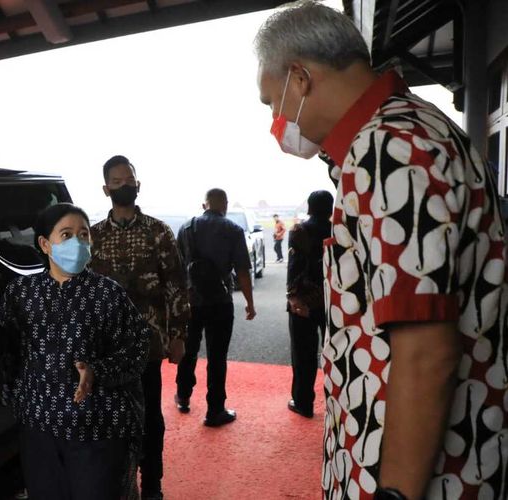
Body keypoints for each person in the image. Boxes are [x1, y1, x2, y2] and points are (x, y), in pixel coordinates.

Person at [255, 2, 508, 499]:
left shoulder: (391, 148)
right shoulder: (407, 132)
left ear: (300, 78)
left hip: (429, 477)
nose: (275, 118)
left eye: (271, 101)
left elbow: (425, 352)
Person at [0, 203, 150, 500]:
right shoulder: (22, 292)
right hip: (38, 429)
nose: (78, 242)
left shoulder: (108, 293)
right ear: (45, 244)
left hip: (96, 430)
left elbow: (138, 349)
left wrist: (96, 371)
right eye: (67, 234)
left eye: (84, 235)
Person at [89, 155, 190, 500]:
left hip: (147, 346)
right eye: (116, 182)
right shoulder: (93, 236)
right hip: (104, 349)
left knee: (149, 418)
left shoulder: (158, 231)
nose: (123, 186)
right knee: (107, 418)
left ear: (138, 184)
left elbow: (176, 285)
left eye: (128, 180)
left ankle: (152, 485)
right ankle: (116, 482)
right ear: (106, 189)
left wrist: (178, 336)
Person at [175, 188, 256, 427]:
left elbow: (178, 269)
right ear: (225, 205)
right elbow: (242, 270)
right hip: (220, 302)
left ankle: (183, 396)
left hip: (191, 301)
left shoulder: (186, 228)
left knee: (189, 351)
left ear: (204, 205)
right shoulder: (233, 230)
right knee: (217, 356)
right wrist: (250, 303)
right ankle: (215, 410)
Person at [285, 190, 333, 419]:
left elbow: (294, 266)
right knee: (334, 351)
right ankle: (337, 402)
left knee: (303, 353)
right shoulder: (339, 230)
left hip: (304, 301)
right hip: (333, 301)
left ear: (309, 208)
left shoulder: (299, 230)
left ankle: (303, 403)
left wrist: (293, 298)